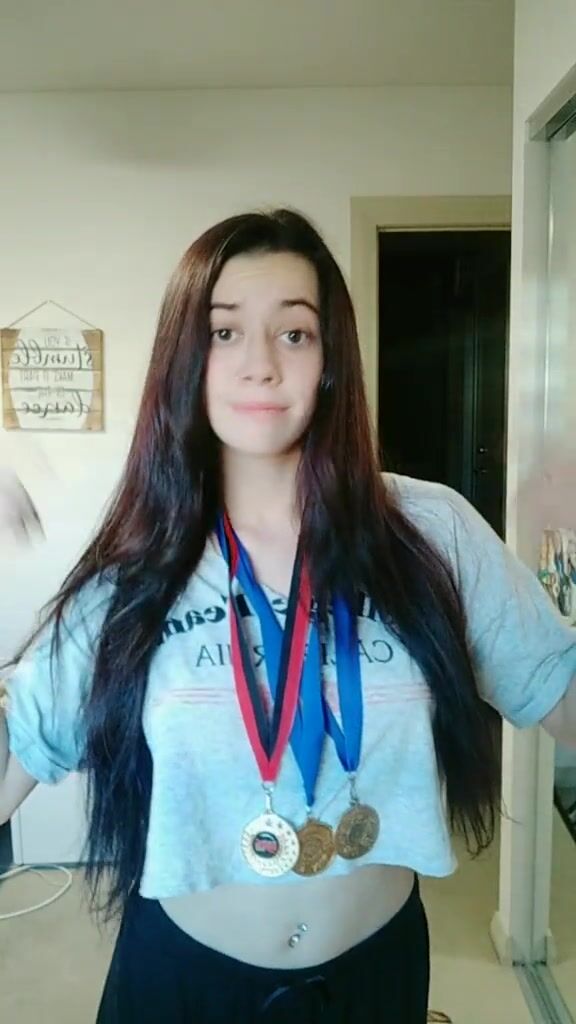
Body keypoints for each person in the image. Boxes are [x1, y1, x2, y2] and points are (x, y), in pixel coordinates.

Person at [0, 208, 575, 1024]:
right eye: (224, 332)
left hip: (377, 979)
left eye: (295, 333)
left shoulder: (431, 531)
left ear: (330, 359)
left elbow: (561, 696)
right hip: (181, 984)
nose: (261, 365)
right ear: (185, 359)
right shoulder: (138, 564)